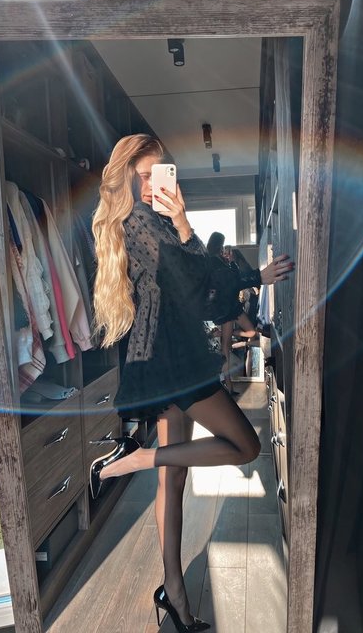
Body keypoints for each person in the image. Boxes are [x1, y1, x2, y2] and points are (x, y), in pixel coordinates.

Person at [90, 134, 293, 632]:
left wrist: (186, 226)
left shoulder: (155, 221)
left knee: (175, 477)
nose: (151, 184)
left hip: (167, 355)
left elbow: (201, 286)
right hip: (170, 359)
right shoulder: (139, 222)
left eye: (158, 174)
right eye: (143, 176)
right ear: (127, 177)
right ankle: (138, 458)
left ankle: (174, 591)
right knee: (244, 446)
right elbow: (198, 288)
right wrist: (193, 232)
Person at [206, 233, 259, 394]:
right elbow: (231, 282)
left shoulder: (218, 261)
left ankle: (227, 387)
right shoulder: (213, 261)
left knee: (250, 333)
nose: (223, 249)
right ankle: (228, 387)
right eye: (222, 245)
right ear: (218, 245)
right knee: (226, 349)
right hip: (226, 308)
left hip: (231, 306)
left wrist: (231, 263)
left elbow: (235, 280)